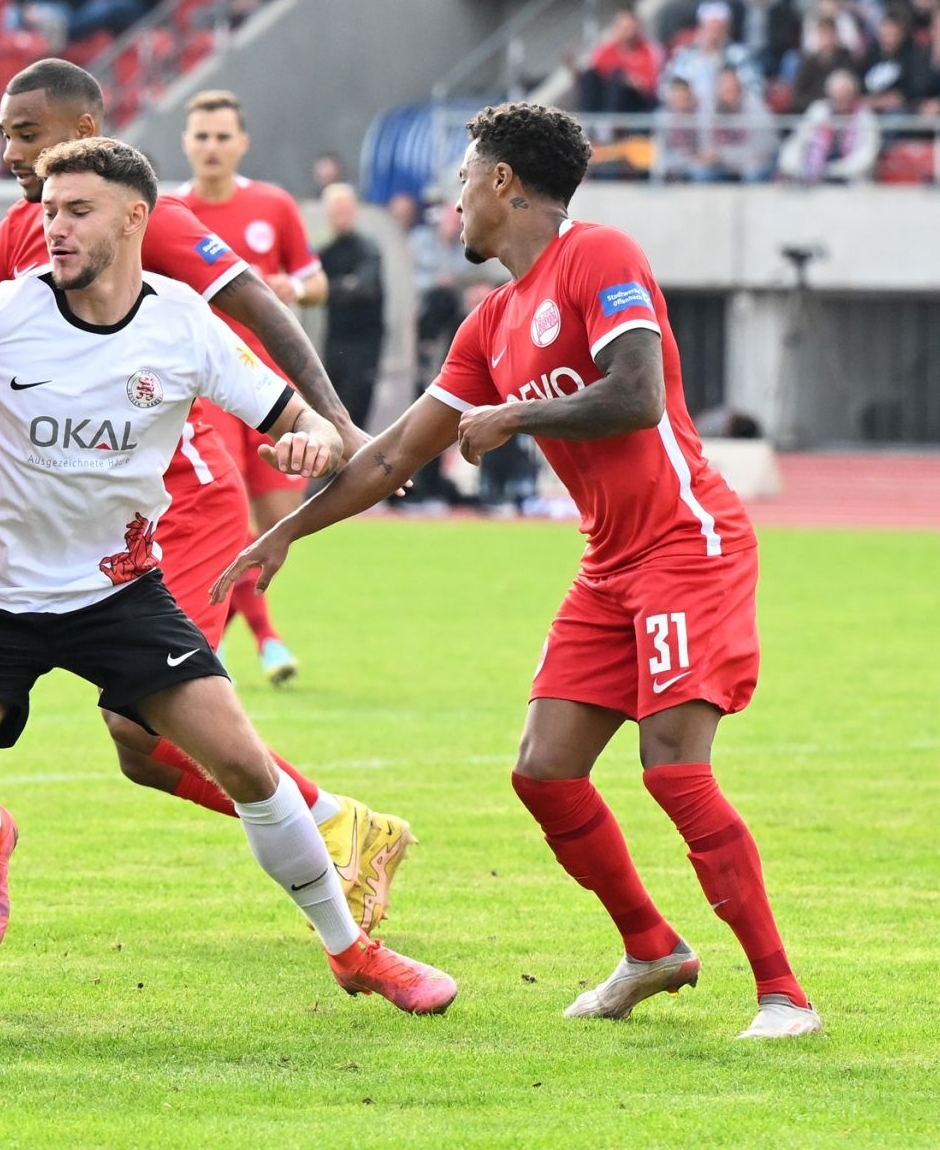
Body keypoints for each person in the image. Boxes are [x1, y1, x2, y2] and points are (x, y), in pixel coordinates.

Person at [213, 102, 822, 1041]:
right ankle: (652, 949)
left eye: (462, 180)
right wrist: (286, 532)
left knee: (673, 772)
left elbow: (637, 395)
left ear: (502, 181)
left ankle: (784, 996)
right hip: (609, 563)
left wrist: (517, 417)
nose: (454, 202)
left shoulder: (600, 256)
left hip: (685, 546)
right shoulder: (491, 321)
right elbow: (392, 456)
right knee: (544, 772)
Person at [0, 137, 455, 1016]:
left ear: (133, 218)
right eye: (49, 211)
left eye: (77, 211)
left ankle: (352, 953)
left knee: (247, 767)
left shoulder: (182, 322)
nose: (54, 228)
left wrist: (311, 437)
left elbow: (290, 413)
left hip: (117, 591)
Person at [175, 90, 325, 685]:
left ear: (242, 143)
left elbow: (315, 280)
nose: (211, 147)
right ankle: (266, 639)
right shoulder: (169, 213)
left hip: (272, 388)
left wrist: (294, 289)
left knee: (277, 522)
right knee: (228, 520)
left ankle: (212, 641)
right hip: (206, 392)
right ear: (186, 143)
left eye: (222, 136)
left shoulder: (273, 205)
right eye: (201, 136)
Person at [318, 183, 385, 429]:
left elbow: (363, 287)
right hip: (335, 340)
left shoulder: (368, 249)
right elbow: (316, 288)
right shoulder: (326, 253)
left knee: (356, 413)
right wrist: (343, 286)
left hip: (364, 343)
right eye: (335, 210)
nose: (341, 216)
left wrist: (332, 289)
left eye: (345, 209)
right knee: (330, 410)